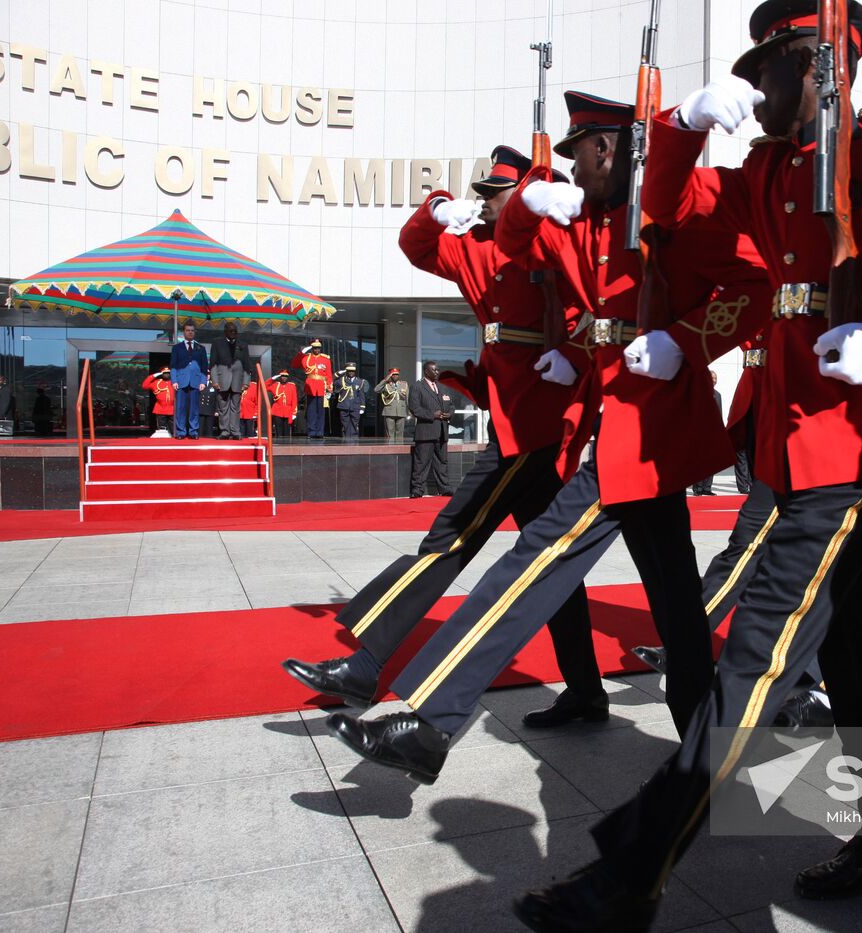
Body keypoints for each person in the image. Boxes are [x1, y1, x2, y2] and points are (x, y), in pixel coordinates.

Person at [513, 6, 862, 926]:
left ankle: (633, 872)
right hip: (794, 438)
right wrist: (678, 130)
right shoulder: (768, 171)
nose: (757, 91)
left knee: (759, 649)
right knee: (853, 645)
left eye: (768, 72)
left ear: (818, 66)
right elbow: (666, 213)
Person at [316, 91, 770, 787]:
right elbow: (514, 247)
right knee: (677, 604)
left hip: (653, 429)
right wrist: (528, 206)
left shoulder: (668, 217)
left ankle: (430, 716)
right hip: (622, 425)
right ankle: (710, 746)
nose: (571, 171)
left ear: (609, 149)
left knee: (534, 558)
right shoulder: (578, 219)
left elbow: (754, 284)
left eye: (580, 154)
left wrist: (686, 340)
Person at [282, 142, 607, 731]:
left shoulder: (556, 235)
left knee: (450, 537)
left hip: (536, 418)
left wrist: (576, 356)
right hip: (513, 410)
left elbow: (602, 305)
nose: (483, 204)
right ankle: (586, 691)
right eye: (480, 196)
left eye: (493, 195)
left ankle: (367, 664)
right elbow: (417, 247)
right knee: (552, 568)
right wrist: (435, 209)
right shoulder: (480, 248)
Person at [409, 360, 454, 496]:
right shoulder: (417, 387)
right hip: (426, 432)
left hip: (441, 432)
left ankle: (444, 488)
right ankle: (417, 490)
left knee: (442, 463)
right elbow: (414, 408)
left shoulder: (442, 387)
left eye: (438, 370)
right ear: (426, 372)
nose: (437, 372)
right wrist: (432, 415)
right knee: (421, 463)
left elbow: (451, 405)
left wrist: (449, 414)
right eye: (434, 370)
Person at [209, 322, 252, 439]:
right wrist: (215, 381)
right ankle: (225, 431)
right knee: (223, 408)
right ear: (225, 331)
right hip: (222, 380)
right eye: (231, 331)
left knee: (235, 407)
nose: (233, 333)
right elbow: (213, 363)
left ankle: (235, 431)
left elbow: (247, 364)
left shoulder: (243, 345)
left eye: (235, 331)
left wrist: (246, 382)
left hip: (238, 381)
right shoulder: (217, 343)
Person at [170, 322, 208, 440]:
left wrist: (203, 381)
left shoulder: (200, 348)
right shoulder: (177, 348)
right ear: (184, 332)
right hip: (181, 381)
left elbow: (204, 367)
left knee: (194, 408)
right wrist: (174, 380)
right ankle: (181, 432)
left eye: (192, 330)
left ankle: (193, 431)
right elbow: (173, 366)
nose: (190, 332)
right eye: (188, 330)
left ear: (194, 332)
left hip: (196, 382)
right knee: (180, 408)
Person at [689, 371, 722, 495]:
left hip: (713, 433)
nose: (714, 380)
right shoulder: (699, 393)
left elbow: (720, 415)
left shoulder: (718, 395)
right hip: (700, 433)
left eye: (715, 378)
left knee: (712, 461)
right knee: (699, 461)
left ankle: (707, 488)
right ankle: (697, 488)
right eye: (712, 377)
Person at [293, 338, 333, 438]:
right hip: (310, 386)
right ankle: (311, 431)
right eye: (315, 348)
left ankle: (319, 432)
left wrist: (329, 388)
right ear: (312, 348)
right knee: (311, 410)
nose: (317, 350)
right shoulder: (306, 358)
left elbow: (329, 375)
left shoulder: (325, 359)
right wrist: (301, 353)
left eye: (318, 348)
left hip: (321, 386)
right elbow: (295, 364)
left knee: (320, 411)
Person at [335, 362, 369, 439]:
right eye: (349, 370)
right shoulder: (342, 380)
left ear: (355, 371)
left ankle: (354, 440)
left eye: (352, 371)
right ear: (346, 371)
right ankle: (345, 439)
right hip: (344, 405)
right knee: (345, 424)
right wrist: (337, 374)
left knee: (355, 424)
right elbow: (333, 383)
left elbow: (361, 395)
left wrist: (362, 407)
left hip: (355, 406)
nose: (351, 372)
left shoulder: (360, 381)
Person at [376, 368, 408, 442]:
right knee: (390, 434)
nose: (395, 376)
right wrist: (385, 380)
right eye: (393, 375)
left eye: (397, 374)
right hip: (389, 411)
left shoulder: (404, 384)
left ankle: (399, 451)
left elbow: (407, 398)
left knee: (400, 434)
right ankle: (391, 450)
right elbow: (376, 389)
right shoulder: (386, 385)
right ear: (390, 376)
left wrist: (409, 410)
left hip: (401, 411)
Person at [141, 367, 175, 436]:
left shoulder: (175, 382)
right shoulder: (156, 382)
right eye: (164, 373)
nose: (166, 374)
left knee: (174, 430)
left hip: (173, 409)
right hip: (160, 409)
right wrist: (154, 375)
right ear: (161, 374)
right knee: (162, 431)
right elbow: (144, 385)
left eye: (168, 373)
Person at [266, 370, 297, 438]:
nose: (284, 378)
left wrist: (294, 413)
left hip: (288, 411)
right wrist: (272, 379)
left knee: (287, 431)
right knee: (278, 431)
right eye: (282, 376)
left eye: (286, 376)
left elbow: (294, 400)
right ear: (280, 377)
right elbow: (264, 386)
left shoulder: (292, 386)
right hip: (277, 410)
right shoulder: (275, 385)